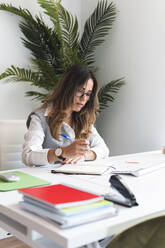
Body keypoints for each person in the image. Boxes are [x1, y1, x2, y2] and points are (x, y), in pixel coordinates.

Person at [22, 64, 109, 167]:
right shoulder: (40, 118)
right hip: (49, 178)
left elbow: (104, 149)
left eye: (88, 94)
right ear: (67, 88)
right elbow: (28, 155)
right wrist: (62, 152)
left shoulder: (83, 117)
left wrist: (84, 156)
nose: (84, 98)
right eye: (80, 91)